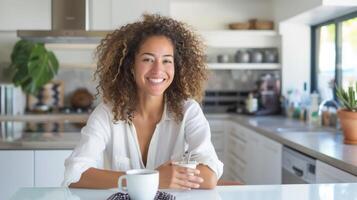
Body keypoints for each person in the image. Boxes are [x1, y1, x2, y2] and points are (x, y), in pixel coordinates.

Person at [62, 14, 223, 190]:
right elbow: (75, 176)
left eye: (167, 61)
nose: (158, 70)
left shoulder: (188, 111)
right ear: (131, 66)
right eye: (148, 59)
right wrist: (155, 178)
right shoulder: (107, 113)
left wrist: (134, 179)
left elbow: (209, 177)